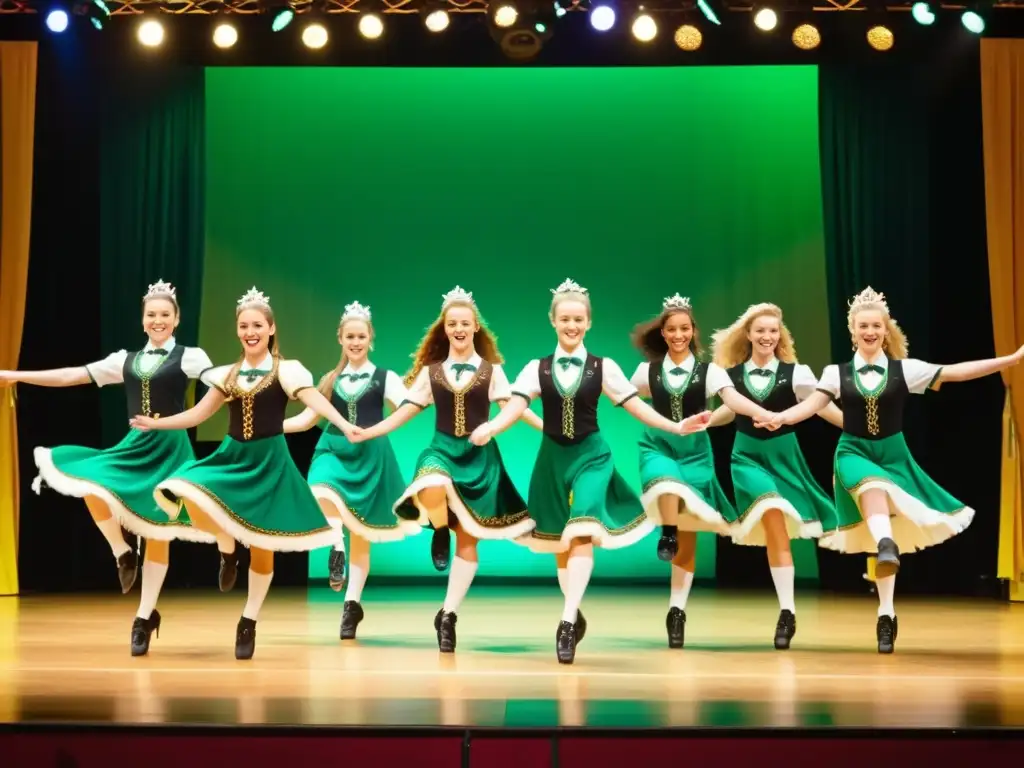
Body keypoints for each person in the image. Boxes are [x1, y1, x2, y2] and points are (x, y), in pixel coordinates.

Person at [761, 286, 1023, 653]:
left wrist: (1009, 360)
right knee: (871, 488)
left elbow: (956, 373)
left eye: (876, 326)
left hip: (894, 455)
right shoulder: (836, 373)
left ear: (886, 330)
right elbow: (811, 406)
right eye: (863, 325)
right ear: (853, 330)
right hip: (852, 452)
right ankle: (886, 544)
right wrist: (779, 417)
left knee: (881, 516)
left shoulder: (906, 370)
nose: (870, 332)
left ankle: (886, 613)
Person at [469, 278, 714, 664]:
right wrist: (492, 428)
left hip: (592, 457)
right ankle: (575, 608)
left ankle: (566, 623)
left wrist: (674, 426)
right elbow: (515, 406)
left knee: (582, 528)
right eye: (565, 319)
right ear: (553, 321)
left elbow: (637, 407)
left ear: (588, 323)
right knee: (560, 544)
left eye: (578, 319)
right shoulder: (537, 368)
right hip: (551, 461)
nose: (572, 325)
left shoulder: (605, 367)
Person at [132, 286, 361, 660]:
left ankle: (248, 620)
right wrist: (159, 424)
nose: (249, 331)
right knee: (187, 488)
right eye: (243, 325)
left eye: (257, 325)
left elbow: (313, 400)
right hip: (232, 458)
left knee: (263, 546)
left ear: (270, 329)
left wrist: (342, 423)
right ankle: (226, 549)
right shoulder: (226, 374)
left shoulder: (287, 370)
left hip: (269, 465)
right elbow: (198, 415)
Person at [0, 279, 214, 656]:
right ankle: (121, 551)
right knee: (88, 484)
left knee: (158, 531)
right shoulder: (124, 360)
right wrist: (16, 376)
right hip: (136, 446)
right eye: (152, 314)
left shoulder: (192, 357)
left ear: (177, 319)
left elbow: (221, 385)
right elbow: (72, 375)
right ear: (142, 320)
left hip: (171, 449)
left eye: (165, 314)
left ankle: (144, 617)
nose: (158, 320)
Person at [350, 286, 539, 653]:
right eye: (452, 323)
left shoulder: (492, 371)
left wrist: (536, 426)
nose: (459, 328)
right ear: (445, 328)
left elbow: (516, 407)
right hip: (441, 450)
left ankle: (448, 615)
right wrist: (369, 431)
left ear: (475, 328)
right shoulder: (430, 373)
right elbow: (404, 411)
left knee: (469, 542)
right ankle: (438, 528)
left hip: (480, 459)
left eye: (465, 323)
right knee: (431, 481)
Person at [706, 302, 842, 650]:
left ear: (779, 335)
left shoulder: (797, 373)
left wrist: (851, 425)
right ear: (748, 335)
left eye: (772, 331)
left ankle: (787, 611)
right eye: (760, 330)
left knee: (778, 527)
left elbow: (820, 405)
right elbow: (727, 410)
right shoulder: (731, 375)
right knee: (768, 508)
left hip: (785, 457)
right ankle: (786, 609)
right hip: (747, 457)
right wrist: (699, 423)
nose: (767, 336)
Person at [283, 300, 420, 640]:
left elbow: (407, 409)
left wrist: (377, 431)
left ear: (370, 338)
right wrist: (272, 426)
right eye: (350, 336)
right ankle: (336, 549)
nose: (355, 342)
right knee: (319, 489)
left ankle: (351, 604)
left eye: (361, 336)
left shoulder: (384, 378)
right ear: (340, 339)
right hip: (333, 448)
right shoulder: (329, 379)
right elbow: (307, 419)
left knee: (361, 531)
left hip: (370, 456)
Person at [628, 294, 736, 649]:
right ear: (662, 333)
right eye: (671, 329)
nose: (678, 335)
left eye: (684, 329)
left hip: (694, 452)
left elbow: (730, 408)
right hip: (658, 444)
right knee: (666, 481)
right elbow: (629, 399)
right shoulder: (647, 371)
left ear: (693, 331)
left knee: (690, 534)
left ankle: (677, 611)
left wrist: (709, 420)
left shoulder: (710, 372)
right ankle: (667, 530)